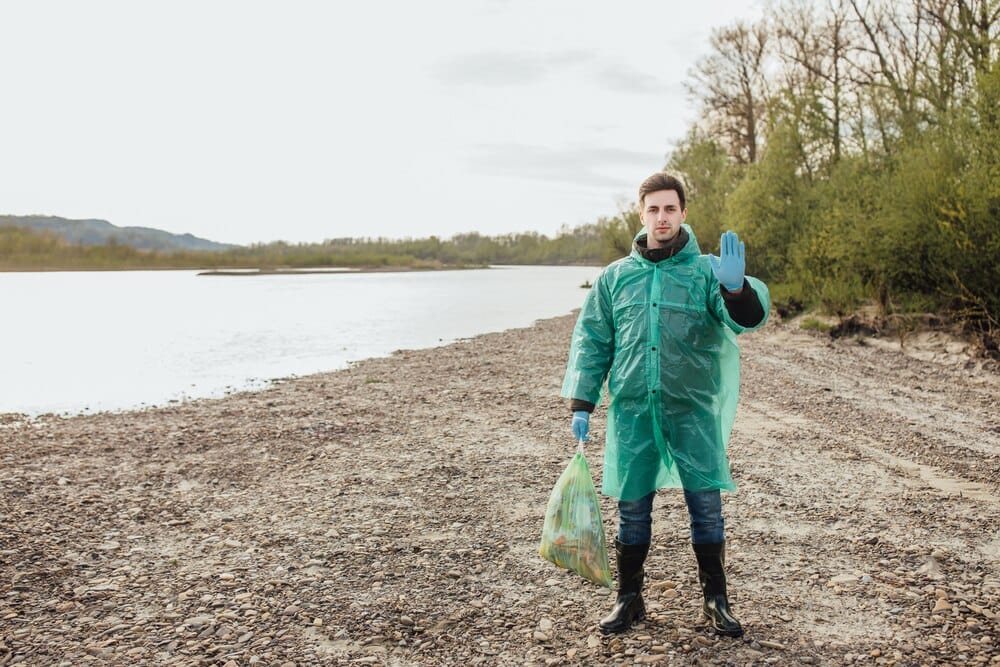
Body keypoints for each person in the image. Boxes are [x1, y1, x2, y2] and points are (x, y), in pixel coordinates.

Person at [561, 172, 769, 637]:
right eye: (653, 209)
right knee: (632, 508)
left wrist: (736, 290)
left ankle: (716, 600)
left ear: (683, 214)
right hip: (633, 411)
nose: (662, 217)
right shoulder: (616, 279)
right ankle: (628, 599)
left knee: (706, 505)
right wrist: (582, 402)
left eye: (670, 209)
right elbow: (593, 341)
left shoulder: (705, 272)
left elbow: (747, 319)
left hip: (692, 410)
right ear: (641, 214)